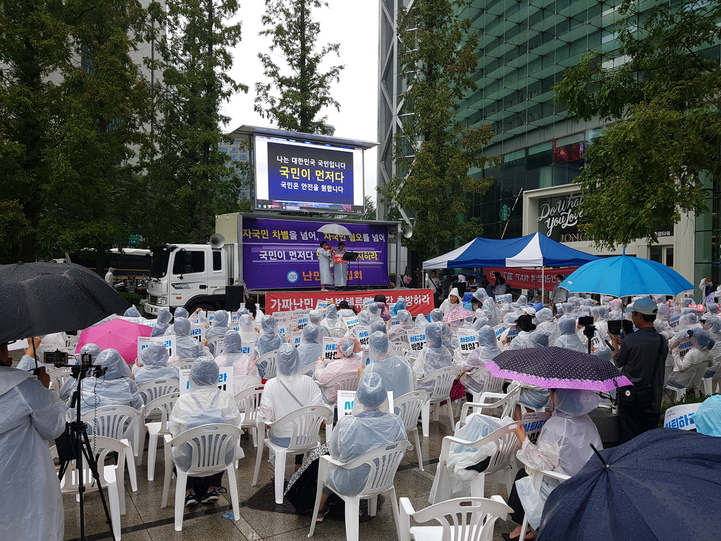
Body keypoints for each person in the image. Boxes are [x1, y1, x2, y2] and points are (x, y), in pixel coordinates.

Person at [505, 389, 602, 539]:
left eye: (552, 391)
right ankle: (525, 528)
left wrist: (523, 440)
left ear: (559, 396)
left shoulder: (555, 427)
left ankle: (521, 528)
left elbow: (542, 464)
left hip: (562, 485)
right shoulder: (586, 419)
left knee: (523, 475)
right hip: (587, 481)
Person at [314, 371, 407, 520]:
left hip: (350, 483)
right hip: (382, 479)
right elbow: (400, 452)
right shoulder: (396, 422)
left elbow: (336, 454)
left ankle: (319, 508)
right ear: (384, 396)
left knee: (328, 465)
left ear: (359, 396)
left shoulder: (347, 423)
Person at [0, 342, 66, 541]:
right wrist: (42, 387)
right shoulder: (23, 386)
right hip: (25, 475)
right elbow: (54, 427)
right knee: (30, 525)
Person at [168, 359, 241, 506]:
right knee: (222, 444)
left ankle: (189, 491)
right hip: (220, 459)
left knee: (177, 447)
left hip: (189, 460)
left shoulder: (183, 400)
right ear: (216, 376)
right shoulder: (226, 398)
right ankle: (212, 487)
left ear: (192, 377)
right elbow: (235, 425)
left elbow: (174, 431)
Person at [610, 298, 669, 443]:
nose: (632, 317)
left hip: (631, 398)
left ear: (639, 316)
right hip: (652, 398)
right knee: (648, 441)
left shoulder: (631, 340)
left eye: (633, 314)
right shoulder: (662, 340)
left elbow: (617, 361)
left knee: (631, 439)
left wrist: (614, 343)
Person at [257, 344, 324, 468]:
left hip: (281, 438)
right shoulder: (308, 381)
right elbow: (319, 408)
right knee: (301, 425)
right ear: (297, 360)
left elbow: (265, 414)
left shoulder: (271, 384)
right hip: (307, 437)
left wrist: (260, 420)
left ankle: (279, 473)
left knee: (274, 429)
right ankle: (298, 465)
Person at [76, 348, 143, 415]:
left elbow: (72, 407)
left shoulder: (85, 383)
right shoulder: (128, 384)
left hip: (89, 423)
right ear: (120, 364)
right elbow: (137, 407)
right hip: (121, 423)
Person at [363, 331, 415, 398]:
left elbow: (367, 396)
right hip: (407, 406)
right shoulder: (403, 362)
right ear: (387, 345)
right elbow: (413, 385)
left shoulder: (370, 370)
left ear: (372, 348)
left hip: (384, 407)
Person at [313, 336, 363, 404]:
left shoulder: (335, 366)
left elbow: (320, 377)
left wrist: (320, 363)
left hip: (333, 398)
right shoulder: (362, 362)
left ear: (340, 348)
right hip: (356, 396)